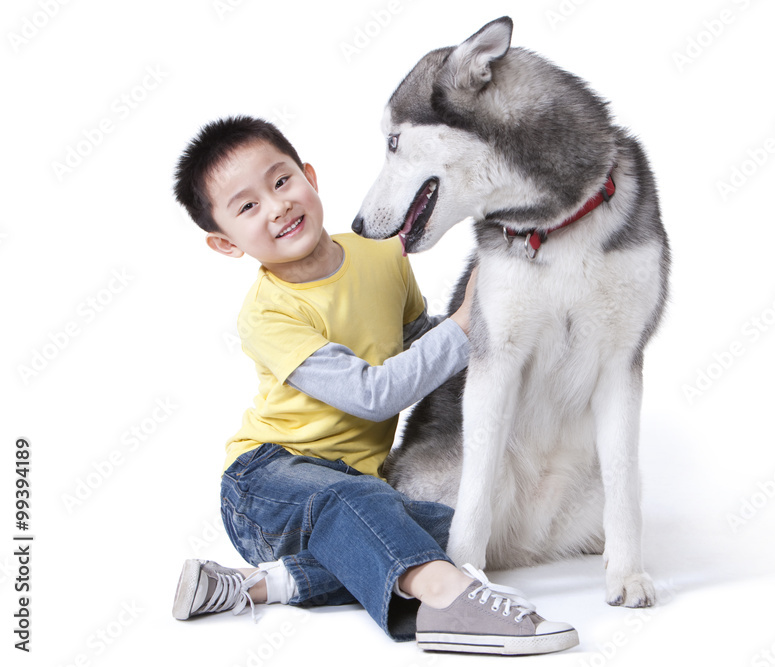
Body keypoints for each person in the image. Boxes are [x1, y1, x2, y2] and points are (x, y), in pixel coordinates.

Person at [169, 116, 578, 656]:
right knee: (358, 505)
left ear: (309, 176)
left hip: (365, 492)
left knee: (461, 531)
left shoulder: (381, 253)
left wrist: (504, 307)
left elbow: (417, 351)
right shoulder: (268, 314)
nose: (276, 206)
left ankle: (259, 586)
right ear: (225, 243)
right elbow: (374, 393)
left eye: (281, 181)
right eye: (247, 207)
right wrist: (464, 323)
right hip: (266, 482)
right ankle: (448, 602)